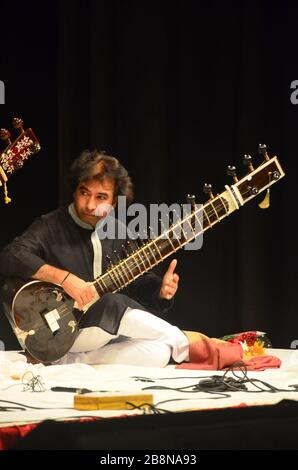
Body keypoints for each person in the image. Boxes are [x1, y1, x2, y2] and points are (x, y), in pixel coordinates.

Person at [0, 150, 189, 367]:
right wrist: (65, 279)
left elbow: (136, 285)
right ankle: (191, 343)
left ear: (115, 202)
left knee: (160, 353)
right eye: (84, 192)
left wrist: (161, 291)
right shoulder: (50, 226)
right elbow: (10, 256)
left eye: (101, 197)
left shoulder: (119, 232)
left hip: (103, 334)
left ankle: (74, 362)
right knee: (113, 303)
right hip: (61, 330)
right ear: (74, 191)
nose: (90, 205)